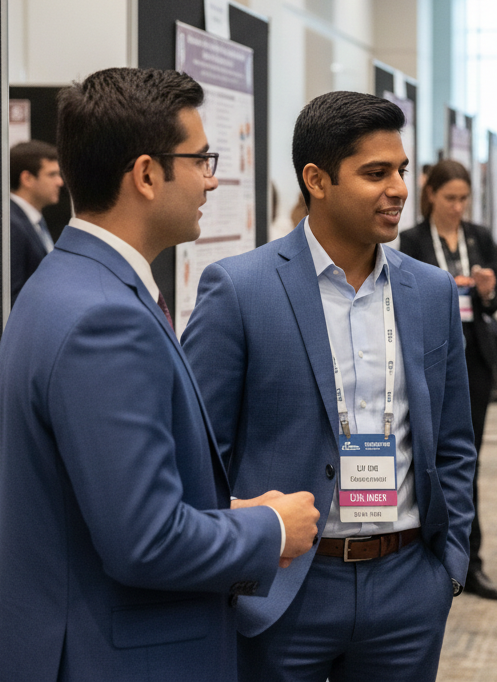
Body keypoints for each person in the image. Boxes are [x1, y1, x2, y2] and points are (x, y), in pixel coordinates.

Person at [0, 68, 319, 682]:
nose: (213, 179)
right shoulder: (105, 318)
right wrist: (269, 529)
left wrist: (227, 509)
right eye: (200, 160)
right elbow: (144, 540)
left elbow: (105, 499)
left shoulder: (68, 285)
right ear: (145, 174)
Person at [181, 90, 476, 681]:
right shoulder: (240, 289)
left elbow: (453, 442)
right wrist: (235, 573)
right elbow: (197, 453)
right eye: (375, 173)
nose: (397, 188)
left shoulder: (431, 291)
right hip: (284, 586)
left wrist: (448, 565)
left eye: (401, 170)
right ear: (316, 179)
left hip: (407, 585)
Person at [399, 159, 497, 601]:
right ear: (431, 197)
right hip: (427, 357)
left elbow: (494, 306)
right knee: (426, 457)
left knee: (466, 460)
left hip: (474, 360)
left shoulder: (479, 238)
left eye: (464, 199)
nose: (458, 207)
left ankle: (468, 559)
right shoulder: (408, 241)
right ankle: (423, 552)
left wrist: (486, 290)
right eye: (450, 198)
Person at [8, 140, 63, 303]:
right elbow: (13, 295)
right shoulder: (12, 225)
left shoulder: (33, 220)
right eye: (52, 174)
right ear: (27, 178)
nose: (60, 182)